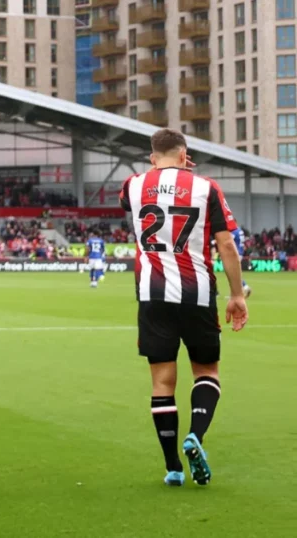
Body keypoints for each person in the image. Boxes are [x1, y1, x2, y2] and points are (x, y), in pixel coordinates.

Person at [118, 128, 248, 488]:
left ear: (151, 156)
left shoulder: (132, 185)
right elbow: (226, 245)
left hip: (151, 294)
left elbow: (140, 200)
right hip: (197, 292)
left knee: (162, 381)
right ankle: (197, 437)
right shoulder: (206, 188)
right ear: (185, 154)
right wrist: (236, 295)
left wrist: (163, 173)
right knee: (207, 370)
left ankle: (173, 465)